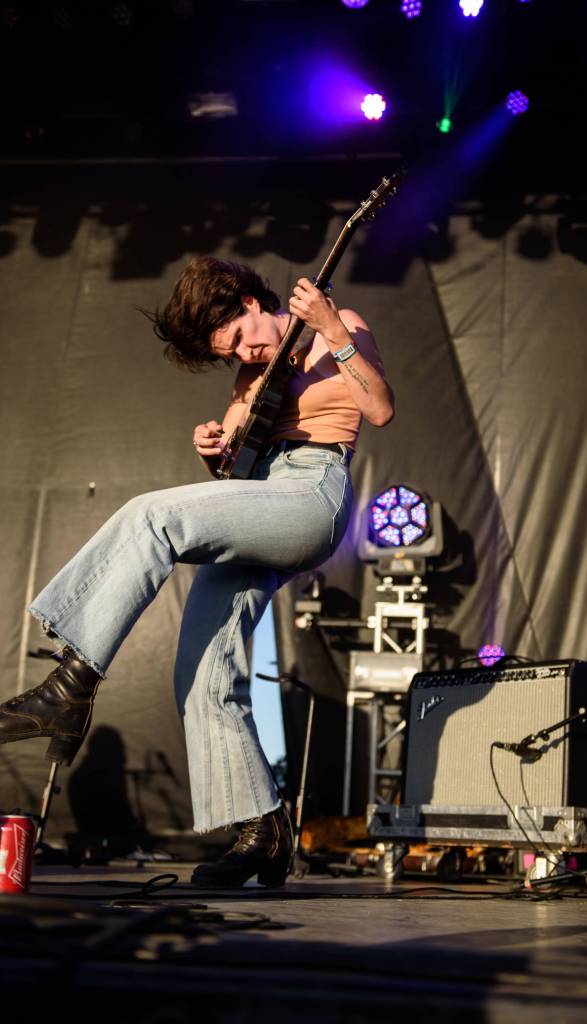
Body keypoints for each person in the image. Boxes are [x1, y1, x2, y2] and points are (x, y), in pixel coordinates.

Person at [0, 256, 394, 887]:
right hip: (261, 499)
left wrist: (334, 332)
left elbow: (378, 408)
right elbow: (236, 472)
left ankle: (69, 687)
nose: (247, 349)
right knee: (204, 672)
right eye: (230, 350)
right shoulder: (249, 379)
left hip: (311, 494)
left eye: (241, 334)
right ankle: (262, 830)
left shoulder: (334, 324)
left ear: (249, 300)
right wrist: (215, 448)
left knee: (151, 515)